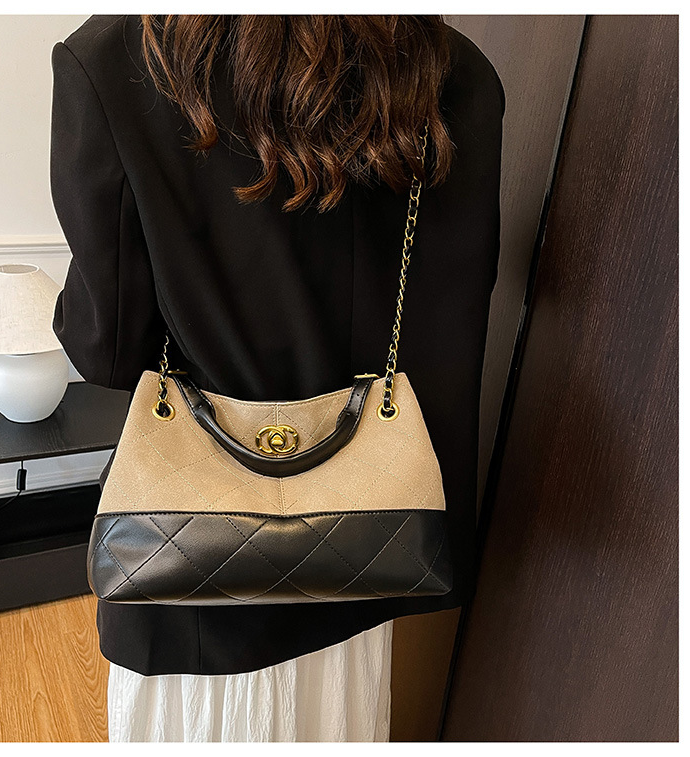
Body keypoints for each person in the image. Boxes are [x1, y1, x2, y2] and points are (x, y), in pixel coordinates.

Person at [49, 14, 504, 742]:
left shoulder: (118, 57)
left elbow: (105, 351)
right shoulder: (448, 71)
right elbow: (449, 333)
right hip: (358, 556)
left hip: (185, 563)